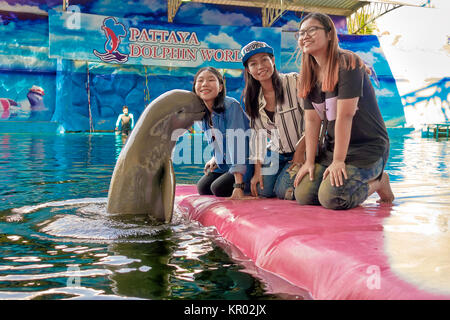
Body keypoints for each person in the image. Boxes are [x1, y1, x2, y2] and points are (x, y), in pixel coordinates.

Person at [293, 12, 394, 209]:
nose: (305, 36)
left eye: (312, 30)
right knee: (304, 194)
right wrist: (309, 161)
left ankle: (380, 181)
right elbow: (312, 122)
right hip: (334, 148)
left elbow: (345, 116)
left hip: (367, 149)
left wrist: (339, 161)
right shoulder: (308, 76)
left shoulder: (348, 63)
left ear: (330, 34)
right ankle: (333, 168)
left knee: (333, 198)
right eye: (301, 33)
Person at [241, 41, 306, 200]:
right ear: (248, 70)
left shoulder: (294, 81)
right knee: (262, 190)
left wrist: (300, 152)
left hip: (303, 150)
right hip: (277, 152)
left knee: (283, 192)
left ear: (273, 60)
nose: (260, 66)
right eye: (253, 64)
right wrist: (257, 172)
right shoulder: (252, 99)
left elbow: (314, 120)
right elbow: (258, 137)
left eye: (264, 59)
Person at [194, 67, 253, 199]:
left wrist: (239, 186)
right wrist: (215, 157)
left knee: (218, 188)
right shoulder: (203, 115)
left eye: (210, 80)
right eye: (200, 80)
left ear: (220, 87)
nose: (204, 84)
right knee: (203, 187)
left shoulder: (231, 106)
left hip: (246, 162)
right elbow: (219, 141)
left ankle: (248, 183)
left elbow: (238, 145)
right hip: (226, 164)